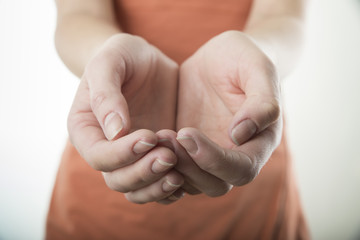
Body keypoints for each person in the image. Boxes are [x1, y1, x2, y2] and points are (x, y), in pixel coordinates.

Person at [46, 0, 309, 239]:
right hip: (100, 197)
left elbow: (284, 17)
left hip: (250, 195)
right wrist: (106, 56)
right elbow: (78, 14)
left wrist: (260, 54)